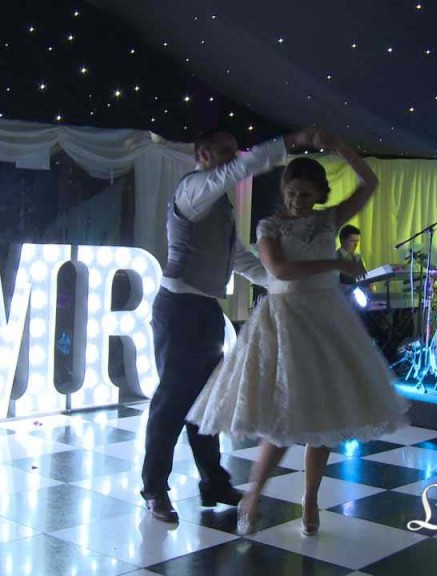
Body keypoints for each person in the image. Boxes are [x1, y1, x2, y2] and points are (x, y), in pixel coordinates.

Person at [187, 132, 408, 537]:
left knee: (321, 415)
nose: (296, 201)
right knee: (282, 419)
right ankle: (254, 496)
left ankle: (310, 499)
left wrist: (341, 146)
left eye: (305, 195)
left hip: (325, 318)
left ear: (319, 194)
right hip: (283, 319)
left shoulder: (329, 218)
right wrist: (336, 265)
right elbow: (280, 272)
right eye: (291, 192)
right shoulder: (268, 225)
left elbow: (370, 183)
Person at [140, 127, 316, 523]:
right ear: (202, 155)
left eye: (234, 153)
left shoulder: (218, 205)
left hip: (203, 310)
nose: (232, 161)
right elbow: (232, 175)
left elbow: (238, 257)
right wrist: (286, 145)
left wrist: (282, 281)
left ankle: (213, 482)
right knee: (171, 404)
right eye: (224, 152)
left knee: (207, 404)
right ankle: (154, 488)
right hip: (179, 308)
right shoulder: (193, 190)